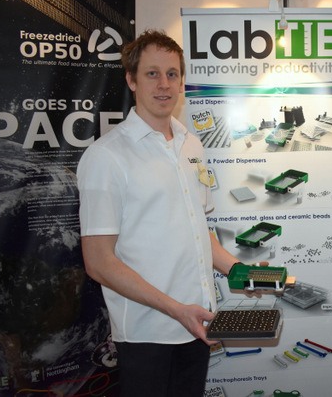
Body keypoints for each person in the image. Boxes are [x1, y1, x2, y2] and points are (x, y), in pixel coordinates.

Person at [77, 29, 240, 397]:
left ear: (182, 82)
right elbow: (98, 262)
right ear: (132, 80)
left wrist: (237, 270)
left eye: (172, 74)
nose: (164, 84)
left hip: (198, 321)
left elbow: (197, 229)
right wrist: (175, 309)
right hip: (148, 331)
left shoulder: (191, 144)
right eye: (152, 73)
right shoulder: (106, 156)